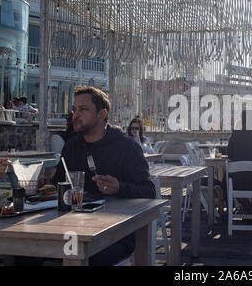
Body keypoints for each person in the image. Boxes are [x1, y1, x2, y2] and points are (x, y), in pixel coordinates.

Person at [17, 86, 156, 266]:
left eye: (83, 109)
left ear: (102, 114)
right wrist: (46, 187)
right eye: (74, 109)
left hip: (113, 234)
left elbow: (149, 191)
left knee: (85, 256)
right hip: (70, 231)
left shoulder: (127, 148)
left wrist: (119, 188)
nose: (75, 114)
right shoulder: (72, 147)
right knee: (22, 253)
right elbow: (58, 183)